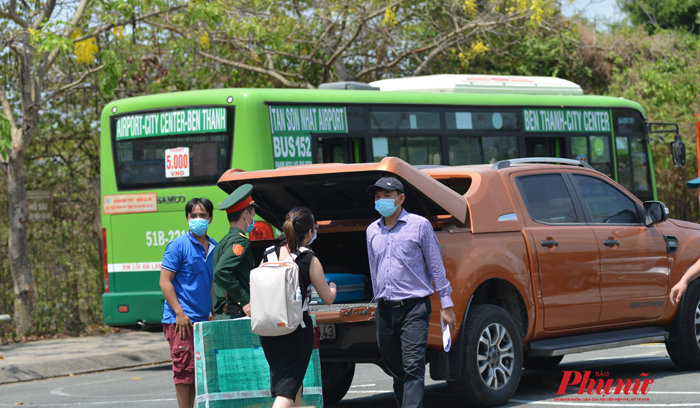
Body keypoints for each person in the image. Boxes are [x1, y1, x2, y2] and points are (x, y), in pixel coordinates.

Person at [366, 176, 457, 408]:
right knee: (396, 370)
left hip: (414, 307)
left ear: (401, 198)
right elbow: (374, 269)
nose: (381, 201)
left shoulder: (420, 225)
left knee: (413, 368)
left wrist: (447, 305)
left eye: (386, 196)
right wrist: (376, 302)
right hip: (385, 311)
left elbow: (436, 267)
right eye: (377, 197)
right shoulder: (372, 231)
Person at [259, 207, 337, 408]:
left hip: (269, 329)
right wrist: (333, 287)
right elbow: (327, 299)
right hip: (296, 329)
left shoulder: (269, 254)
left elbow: (255, 285)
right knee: (287, 390)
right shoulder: (309, 259)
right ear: (310, 232)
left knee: (294, 387)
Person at [160, 197, 216, 408]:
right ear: (187, 219)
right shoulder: (178, 246)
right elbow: (165, 282)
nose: (198, 219)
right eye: (194, 216)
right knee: (184, 373)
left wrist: (212, 311)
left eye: (202, 216)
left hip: (203, 321)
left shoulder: (214, 247)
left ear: (210, 219)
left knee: (200, 374)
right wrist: (179, 313)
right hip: (180, 321)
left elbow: (211, 283)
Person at [212, 184, 257, 319]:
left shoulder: (224, 241)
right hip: (234, 315)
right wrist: (244, 300)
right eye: (252, 215)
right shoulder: (240, 241)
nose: (253, 219)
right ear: (245, 215)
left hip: (225, 314)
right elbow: (222, 271)